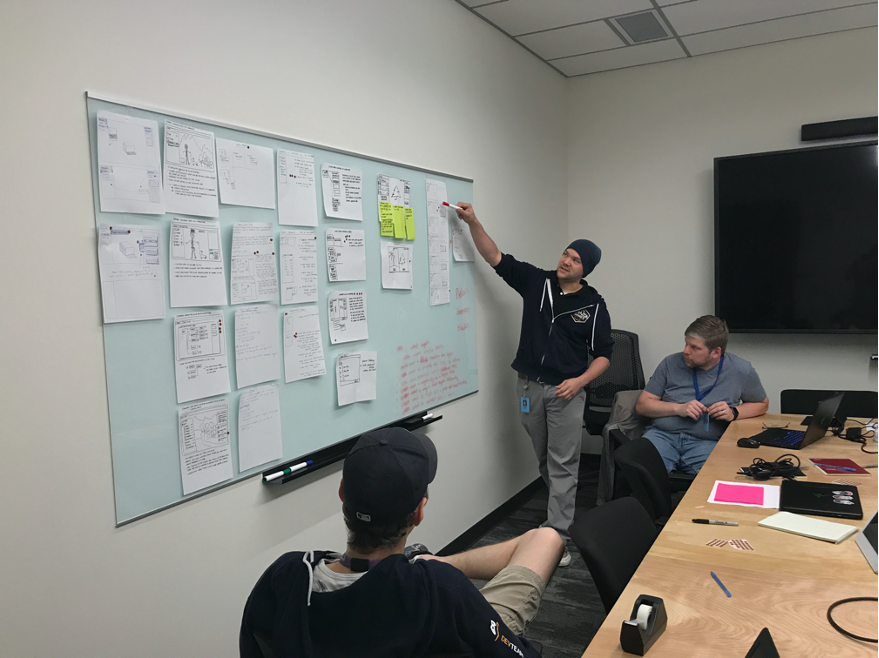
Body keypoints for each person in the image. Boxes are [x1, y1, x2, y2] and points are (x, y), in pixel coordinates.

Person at [240, 427, 563, 658]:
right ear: (419, 512)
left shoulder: (284, 576)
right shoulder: (438, 589)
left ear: (342, 493)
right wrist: (434, 569)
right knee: (546, 538)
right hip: (462, 621)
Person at [453, 202, 613, 566]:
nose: (566, 261)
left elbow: (604, 355)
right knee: (545, 458)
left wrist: (579, 382)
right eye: (565, 254)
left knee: (563, 463)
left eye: (575, 259)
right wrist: (473, 221)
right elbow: (494, 256)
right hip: (528, 388)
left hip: (565, 393)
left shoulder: (593, 306)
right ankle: (559, 519)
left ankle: (557, 537)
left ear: (585, 269)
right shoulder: (537, 282)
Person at [635, 315, 768, 474]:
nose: (686, 351)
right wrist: (678, 408)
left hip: (706, 442)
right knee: (642, 473)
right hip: (663, 436)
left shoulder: (740, 369)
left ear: (716, 352)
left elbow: (762, 403)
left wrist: (733, 412)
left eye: (695, 347)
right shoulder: (670, 363)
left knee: (720, 477)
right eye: (686, 344)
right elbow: (642, 405)